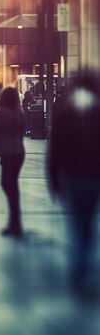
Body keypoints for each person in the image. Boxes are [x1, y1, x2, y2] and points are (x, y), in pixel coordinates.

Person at [48, 73, 100, 289]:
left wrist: (54, 179)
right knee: (87, 221)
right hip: (93, 176)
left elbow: (56, 150)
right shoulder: (97, 113)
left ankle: (79, 264)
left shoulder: (66, 114)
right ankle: (84, 260)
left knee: (77, 220)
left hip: (72, 176)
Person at [0, 87, 26, 237]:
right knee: (12, 184)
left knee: (7, 184)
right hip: (19, 152)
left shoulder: (1, 114)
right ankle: (15, 222)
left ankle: (15, 222)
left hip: (8, 152)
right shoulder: (20, 114)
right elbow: (22, 133)